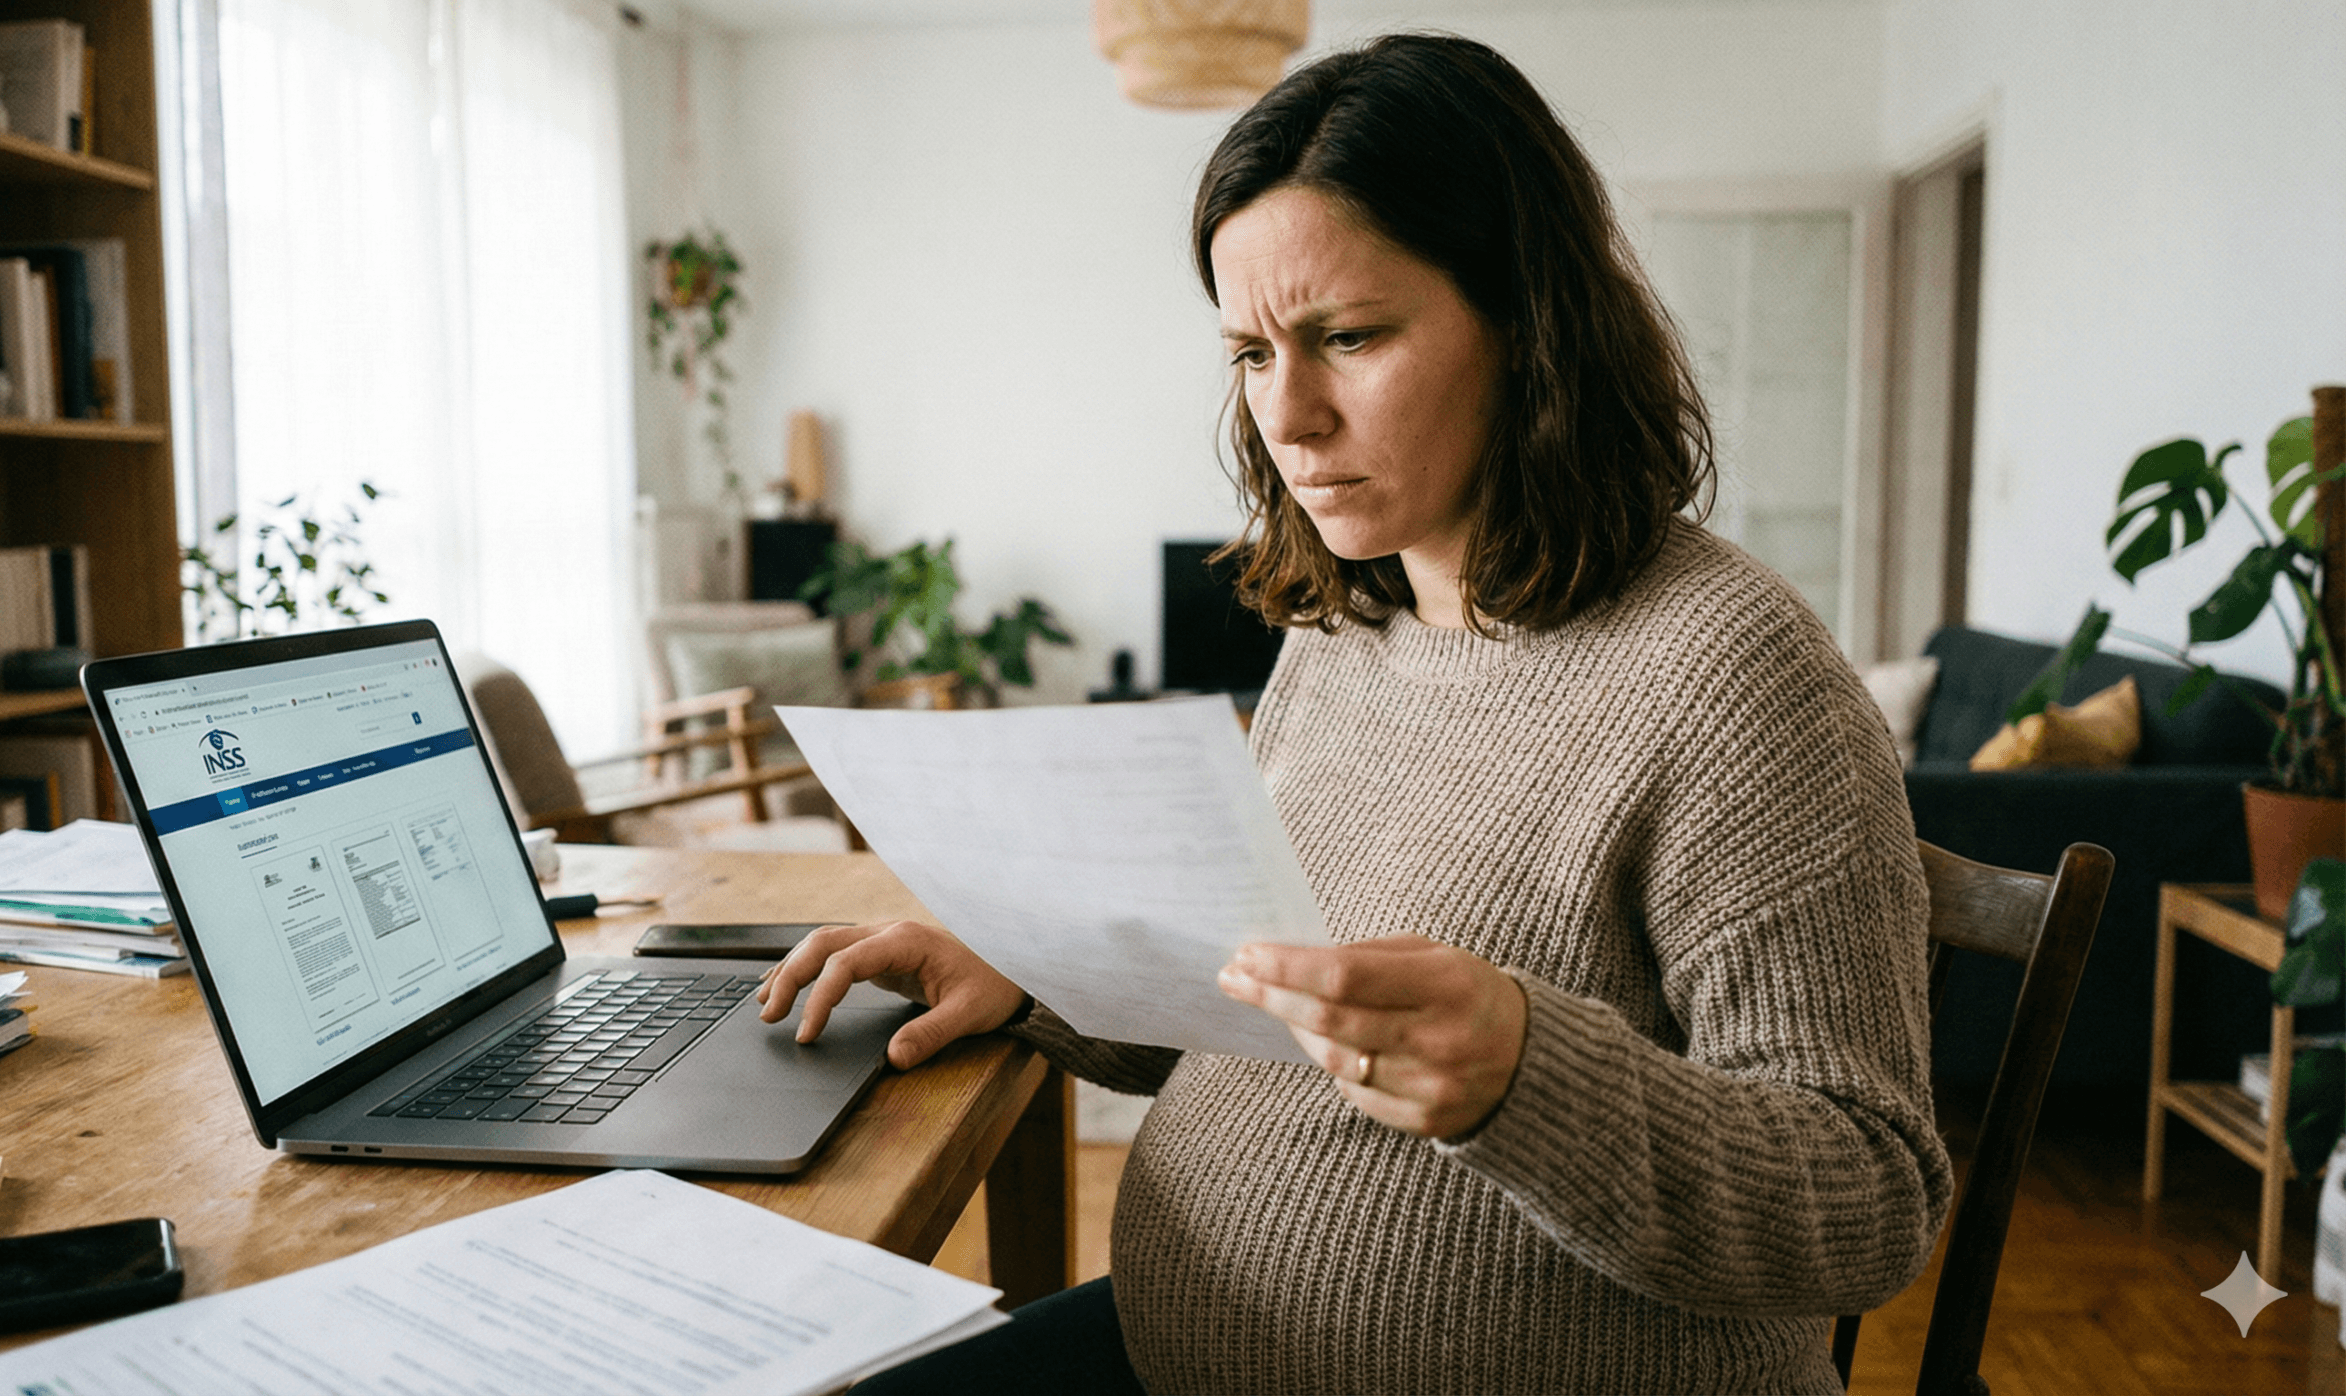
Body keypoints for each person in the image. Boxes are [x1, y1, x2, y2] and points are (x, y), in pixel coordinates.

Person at [760, 32, 1952, 1394]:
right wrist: (1029, 977)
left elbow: (1867, 1201)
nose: (1291, 416)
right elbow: (1252, 1006)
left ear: (1530, 320)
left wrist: (1530, 1076)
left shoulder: (1736, 680)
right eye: (1251, 354)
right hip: (1180, 1339)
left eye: (1350, 338)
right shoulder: (1352, 629)